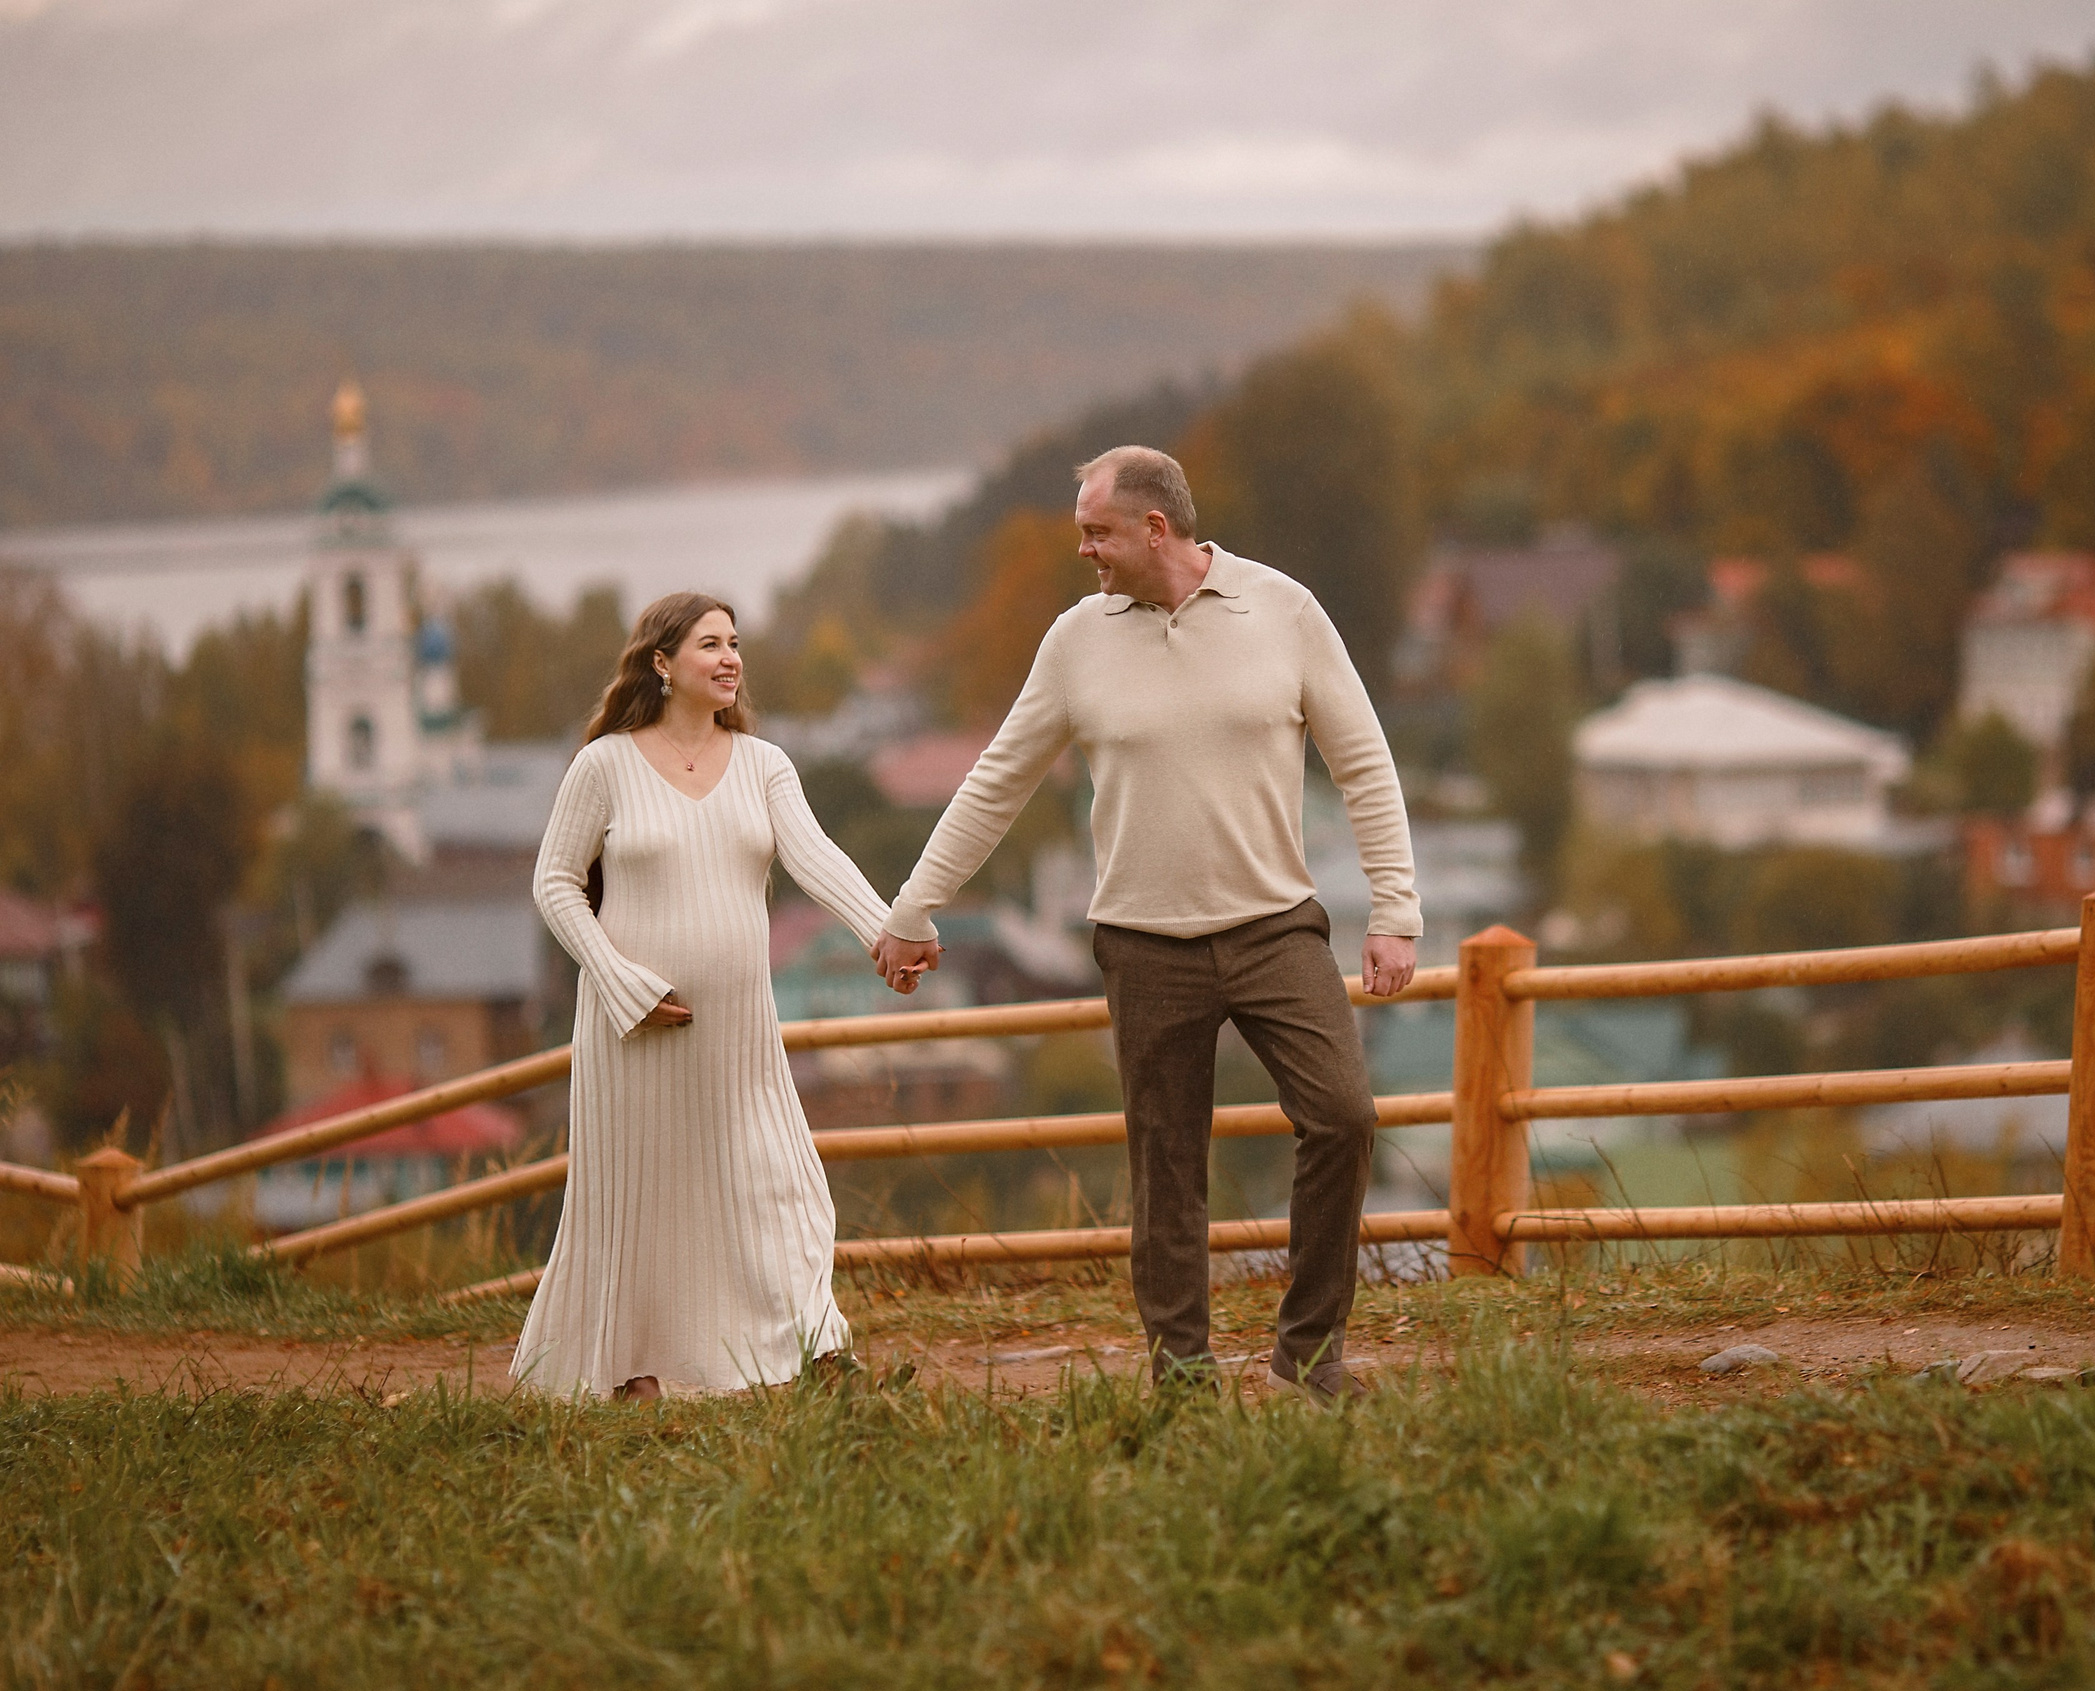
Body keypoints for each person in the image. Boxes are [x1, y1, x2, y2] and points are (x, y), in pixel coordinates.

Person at [873, 446, 1420, 1403]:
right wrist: (912, 906)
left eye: (1097, 531)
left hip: (1274, 928)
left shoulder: (1284, 611)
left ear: (1155, 528)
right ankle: (1182, 1381)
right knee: (1167, 1171)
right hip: (1140, 942)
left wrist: (1397, 909)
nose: (1083, 549)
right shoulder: (1075, 640)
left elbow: (1364, 765)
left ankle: (1308, 1357)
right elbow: (997, 780)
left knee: (1343, 1117)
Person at [513, 591, 904, 1400]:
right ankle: (630, 1369)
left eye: (735, 644)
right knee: (640, 1203)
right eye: (709, 645)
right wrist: (622, 985)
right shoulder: (607, 764)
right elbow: (554, 884)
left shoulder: (764, 764)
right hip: (633, 1029)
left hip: (738, 1033)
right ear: (662, 663)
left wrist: (886, 932)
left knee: (779, 1181)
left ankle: (817, 1348)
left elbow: (816, 858)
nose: (730, 659)